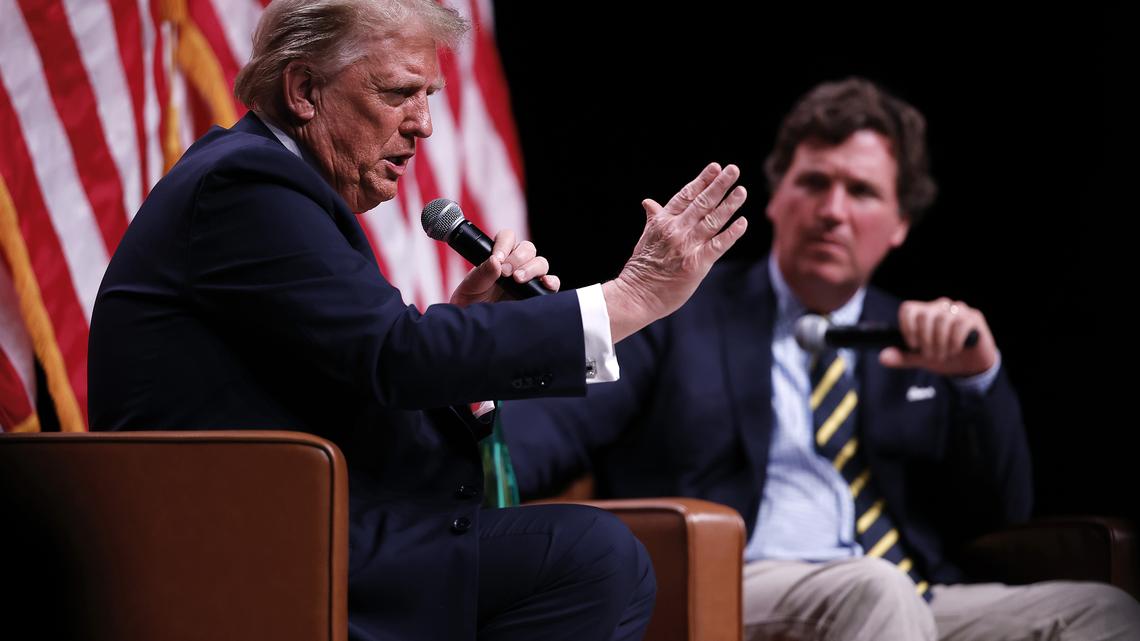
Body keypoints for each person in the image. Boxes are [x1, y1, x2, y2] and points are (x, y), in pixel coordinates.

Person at [86, 1, 750, 640]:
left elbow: (368, 375)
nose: (423, 124)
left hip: (306, 532)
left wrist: (464, 351)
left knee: (590, 557)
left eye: (430, 95)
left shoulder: (278, 188)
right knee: (593, 558)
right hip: (249, 555)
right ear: (303, 90)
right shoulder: (246, 186)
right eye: (400, 92)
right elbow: (396, 357)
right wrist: (629, 298)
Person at [501, 77, 1140, 640]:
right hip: (739, 586)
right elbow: (545, 436)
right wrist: (462, 456)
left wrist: (979, 382)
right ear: (776, 198)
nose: (832, 211)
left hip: (916, 594)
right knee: (874, 590)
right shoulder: (683, 313)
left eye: (861, 191)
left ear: (899, 224)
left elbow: (1002, 518)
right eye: (814, 183)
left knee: (1100, 611)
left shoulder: (924, 336)